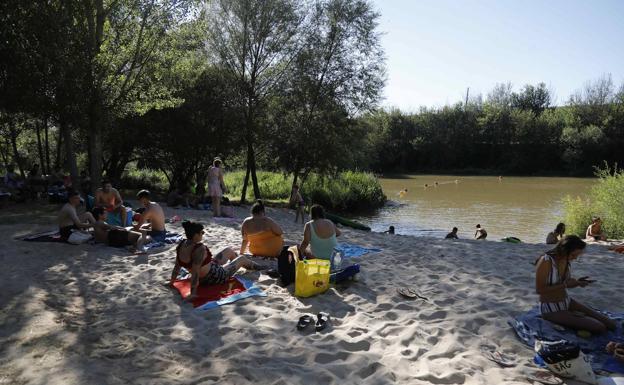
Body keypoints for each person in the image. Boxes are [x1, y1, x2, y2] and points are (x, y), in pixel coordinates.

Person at [535, 235, 616, 333]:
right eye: (573, 255)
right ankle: (571, 316)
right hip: (550, 308)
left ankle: (572, 315)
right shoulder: (546, 261)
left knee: (610, 324)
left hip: (567, 301)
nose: (575, 258)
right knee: (599, 327)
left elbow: (563, 282)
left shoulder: (565, 260)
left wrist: (577, 282)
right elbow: (540, 290)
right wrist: (565, 285)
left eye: (577, 256)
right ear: (564, 250)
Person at [169, 221, 261, 301]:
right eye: (202, 232)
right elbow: (196, 272)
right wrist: (193, 293)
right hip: (213, 277)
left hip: (210, 269)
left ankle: (235, 266)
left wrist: (172, 282)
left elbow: (177, 266)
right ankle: (258, 267)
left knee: (229, 250)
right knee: (242, 259)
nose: (203, 233)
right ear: (196, 235)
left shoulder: (181, 245)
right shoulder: (199, 248)